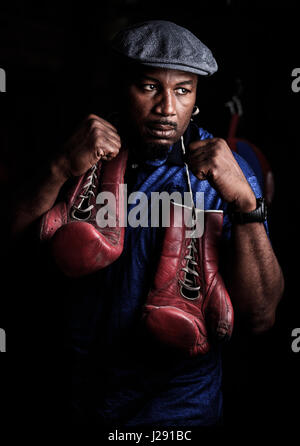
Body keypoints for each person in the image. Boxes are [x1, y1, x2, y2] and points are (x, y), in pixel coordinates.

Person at [10, 20, 284, 426]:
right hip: (79, 395)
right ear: (123, 86)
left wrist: (245, 202)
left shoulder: (226, 173)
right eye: (150, 86)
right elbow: (10, 249)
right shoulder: (81, 152)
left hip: (180, 407)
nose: (167, 109)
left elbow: (261, 315)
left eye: (182, 90)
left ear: (196, 97)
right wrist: (59, 168)